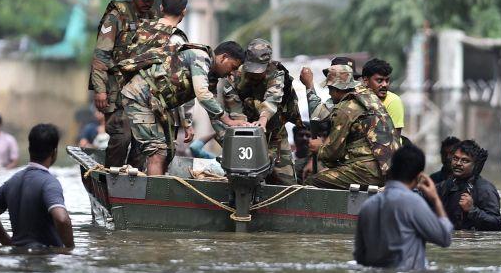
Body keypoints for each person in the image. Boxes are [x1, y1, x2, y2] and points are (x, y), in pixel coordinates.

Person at [120, 40, 247, 175]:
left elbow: (212, 111)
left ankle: (156, 186)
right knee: (157, 151)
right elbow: (202, 94)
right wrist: (228, 120)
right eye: (232, 67)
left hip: (157, 104)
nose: (231, 74)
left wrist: (229, 138)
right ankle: (155, 193)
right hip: (140, 96)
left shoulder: (211, 77)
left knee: (169, 151)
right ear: (224, 57)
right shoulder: (200, 57)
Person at [89, 0, 161, 168]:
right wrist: (100, 90)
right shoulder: (116, 16)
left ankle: (133, 184)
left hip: (143, 93)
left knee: (142, 142)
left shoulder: (155, 19)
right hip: (116, 91)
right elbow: (101, 55)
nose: (148, 3)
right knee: (121, 136)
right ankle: (111, 178)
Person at [214, 38, 302, 185]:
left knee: (286, 184)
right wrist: (245, 127)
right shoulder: (235, 76)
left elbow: (272, 99)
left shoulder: (277, 73)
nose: (255, 74)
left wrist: (262, 120)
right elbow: (235, 110)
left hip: (275, 136)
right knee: (241, 180)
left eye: (259, 69)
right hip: (244, 137)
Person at [353, 144, 453, 270]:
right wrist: (435, 199)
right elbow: (444, 238)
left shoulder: (367, 205)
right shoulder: (414, 203)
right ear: (419, 177)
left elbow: (359, 257)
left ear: (392, 170)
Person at [0, 124, 74, 249]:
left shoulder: (12, 181)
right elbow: (62, 219)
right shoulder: (49, 182)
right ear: (54, 152)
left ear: (29, 149)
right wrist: (70, 249)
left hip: (19, 258)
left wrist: (9, 244)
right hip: (44, 258)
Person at [305, 64, 399, 189]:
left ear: (337, 89)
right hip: (390, 170)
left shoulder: (346, 108)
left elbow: (332, 153)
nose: (329, 94)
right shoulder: (369, 98)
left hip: (368, 171)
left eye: (330, 89)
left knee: (312, 181)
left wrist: (319, 148)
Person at [435, 140, 501, 231]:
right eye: (455, 158)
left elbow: (497, 224)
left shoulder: (485, 189)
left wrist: (472, 210)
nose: (458, 163)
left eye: (465, 160)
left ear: (475, 164)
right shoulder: (447, 185)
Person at [361, 58, 405, 138]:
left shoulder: (393, 101)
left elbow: (395, 138)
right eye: (379, 80)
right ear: (366, 80)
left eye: (387, 80)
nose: (384, 84)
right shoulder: (357, 99)